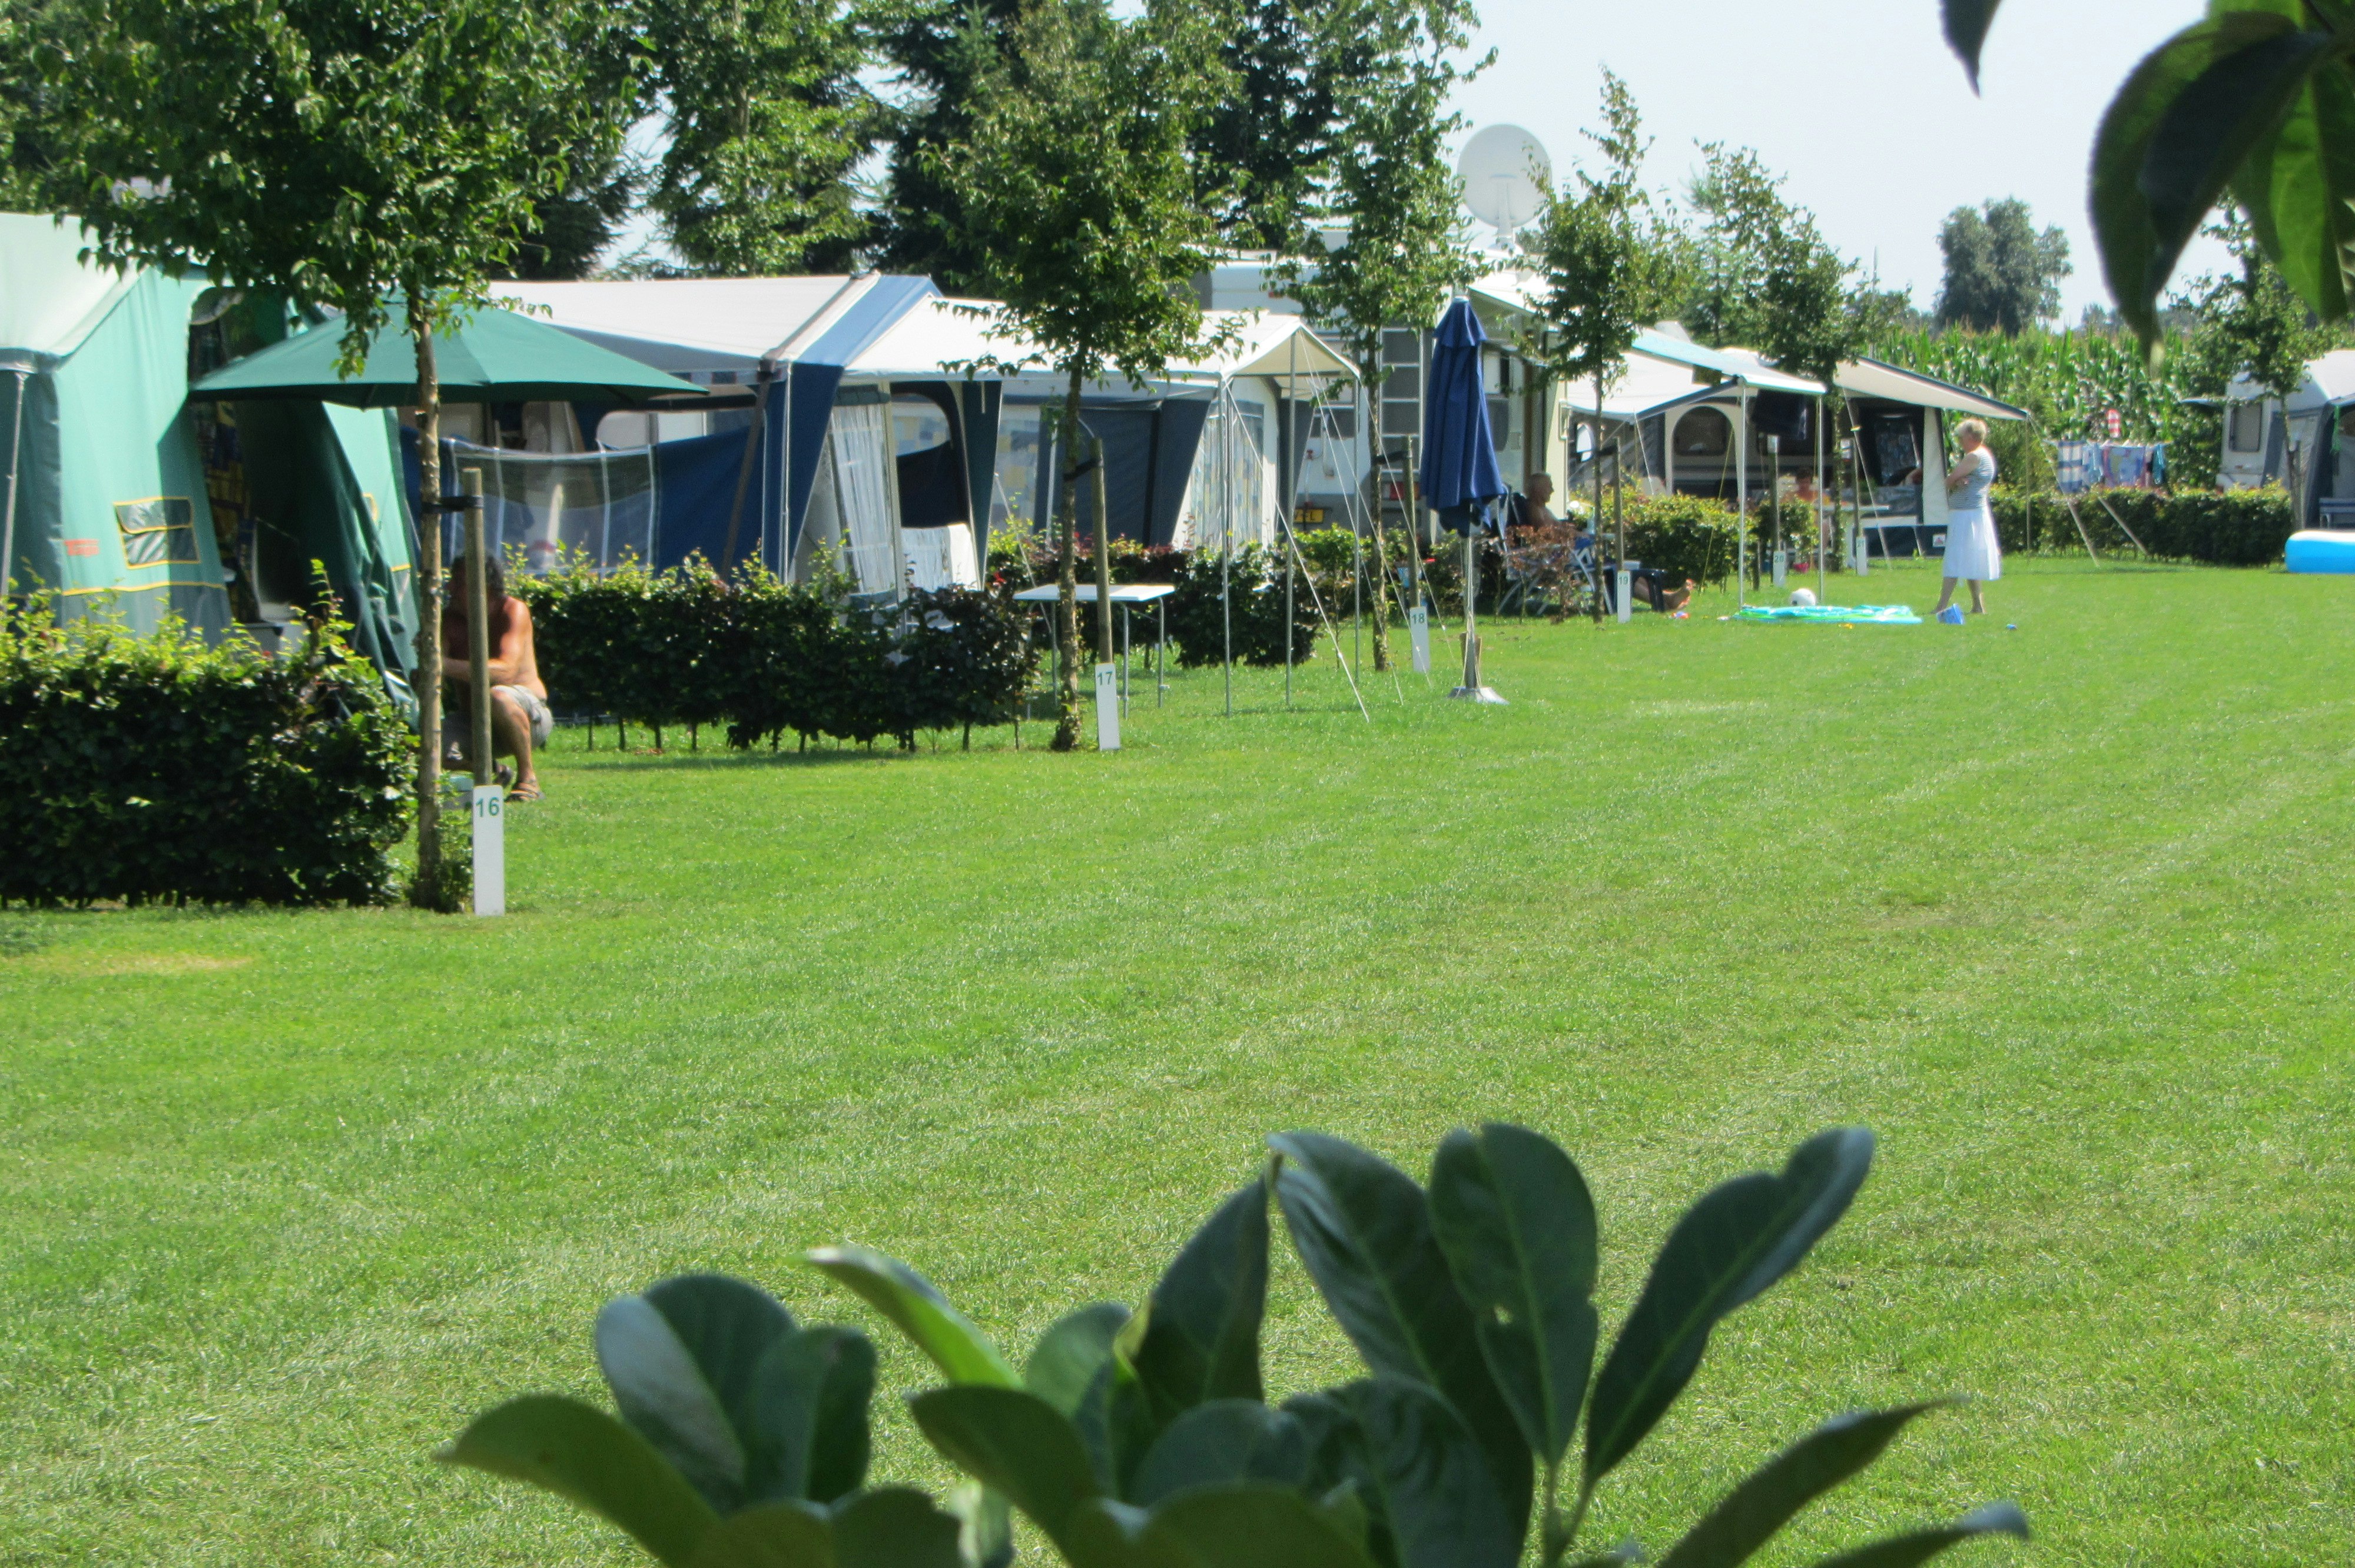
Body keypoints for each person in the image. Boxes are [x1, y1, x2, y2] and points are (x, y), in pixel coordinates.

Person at [442, 553, 551, 800]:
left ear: (483, 587)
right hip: (473, 722)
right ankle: (493, 771)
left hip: (527, 717)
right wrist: (425, 670)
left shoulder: (513, 611)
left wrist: (441, 665)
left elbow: (506, 671)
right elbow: (434, 675)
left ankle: (528, 779)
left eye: (458, 582)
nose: (449, 588)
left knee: (496, 696)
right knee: (428, 744)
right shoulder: (449, 620)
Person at [1933, 418, 2001, 616]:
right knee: (1971, 559)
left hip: (1966, 514)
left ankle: (1942, 605)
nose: (1960, 441)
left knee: (1955, 557)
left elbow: (1948, 481)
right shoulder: (1985, 455)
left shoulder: (1973, 457)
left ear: (1971, 436)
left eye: (1962, 437)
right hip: (1974, 512)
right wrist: (1958, 481)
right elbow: (1957, 480)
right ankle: (1978, 605)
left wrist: (1955, 481)